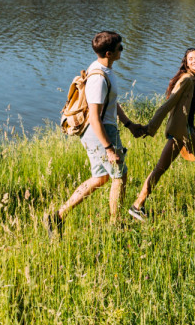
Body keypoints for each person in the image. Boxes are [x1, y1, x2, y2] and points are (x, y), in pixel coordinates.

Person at [46, 31, 142, 236]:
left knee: (100, 178)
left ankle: (57, 216)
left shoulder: (103, 69)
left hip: (103, 129)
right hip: (100, 131)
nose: (122, 50)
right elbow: (95, 118)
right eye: (120, 48)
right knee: (120, 175)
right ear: (109, 53)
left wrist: (128, 124)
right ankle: (116, 225)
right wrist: (108, 148)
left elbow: (111, 103)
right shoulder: (98, 78)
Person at [128, 48, 195, 221]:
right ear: (186, 62)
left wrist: (193, 127)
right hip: (180, 133)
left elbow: (185, 110)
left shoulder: (194, 80)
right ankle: (137, 205)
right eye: (191, 58)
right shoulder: (187, 80)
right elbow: (167, 105)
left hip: (186, 130)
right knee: (161, 168)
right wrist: (150, 127)